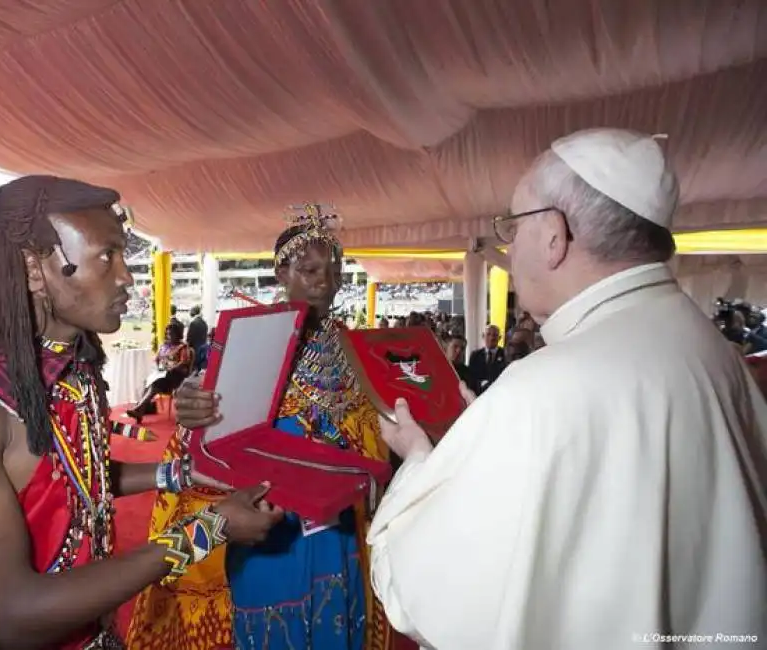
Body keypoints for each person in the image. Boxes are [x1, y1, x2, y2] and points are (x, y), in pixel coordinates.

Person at [0, 176, 283, 650]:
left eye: (124, 255)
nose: (127, 276)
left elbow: (69, 480)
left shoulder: (72, 367)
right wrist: (207, 531)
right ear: (33, 267)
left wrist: (177, 473)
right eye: (106, 255)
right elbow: (11, 617)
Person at [367, 128, 767, 649]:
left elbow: (422, 595)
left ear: (554, 235)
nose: (509, 249)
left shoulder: (542, 390)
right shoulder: (709, 347)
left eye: (513, 227)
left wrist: (420, 459)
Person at [127, 205, 394, 650]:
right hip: (271, 522)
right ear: (281, 272)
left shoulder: (348, 344)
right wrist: (197, 403)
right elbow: (210, 412)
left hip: (336, 523)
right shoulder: (251, 339)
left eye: (334, 269)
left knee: (336, 615)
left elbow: (369, 424)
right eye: (309, 269)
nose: (325, 282)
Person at [126, 320, 191, 422]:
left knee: (156, 383)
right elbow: (157, 358)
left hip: (175, 377)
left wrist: (172, 368)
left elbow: (184, 362)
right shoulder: (164, 345)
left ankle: (139, 409)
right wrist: (158, 365)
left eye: (172, 334)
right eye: (168, 334)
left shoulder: (182, 347)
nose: (169, 336)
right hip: (163, 374)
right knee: (149, 381)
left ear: (178, 334)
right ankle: (142, 409)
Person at [466, 324, 505, 393]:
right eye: (488, 334)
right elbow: (471, 377)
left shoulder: (505, 354)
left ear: (499, 338)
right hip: (478, 394)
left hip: (498, 393)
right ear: (483, 336)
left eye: (495, 335)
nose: (491, 338)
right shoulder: (475, 355)